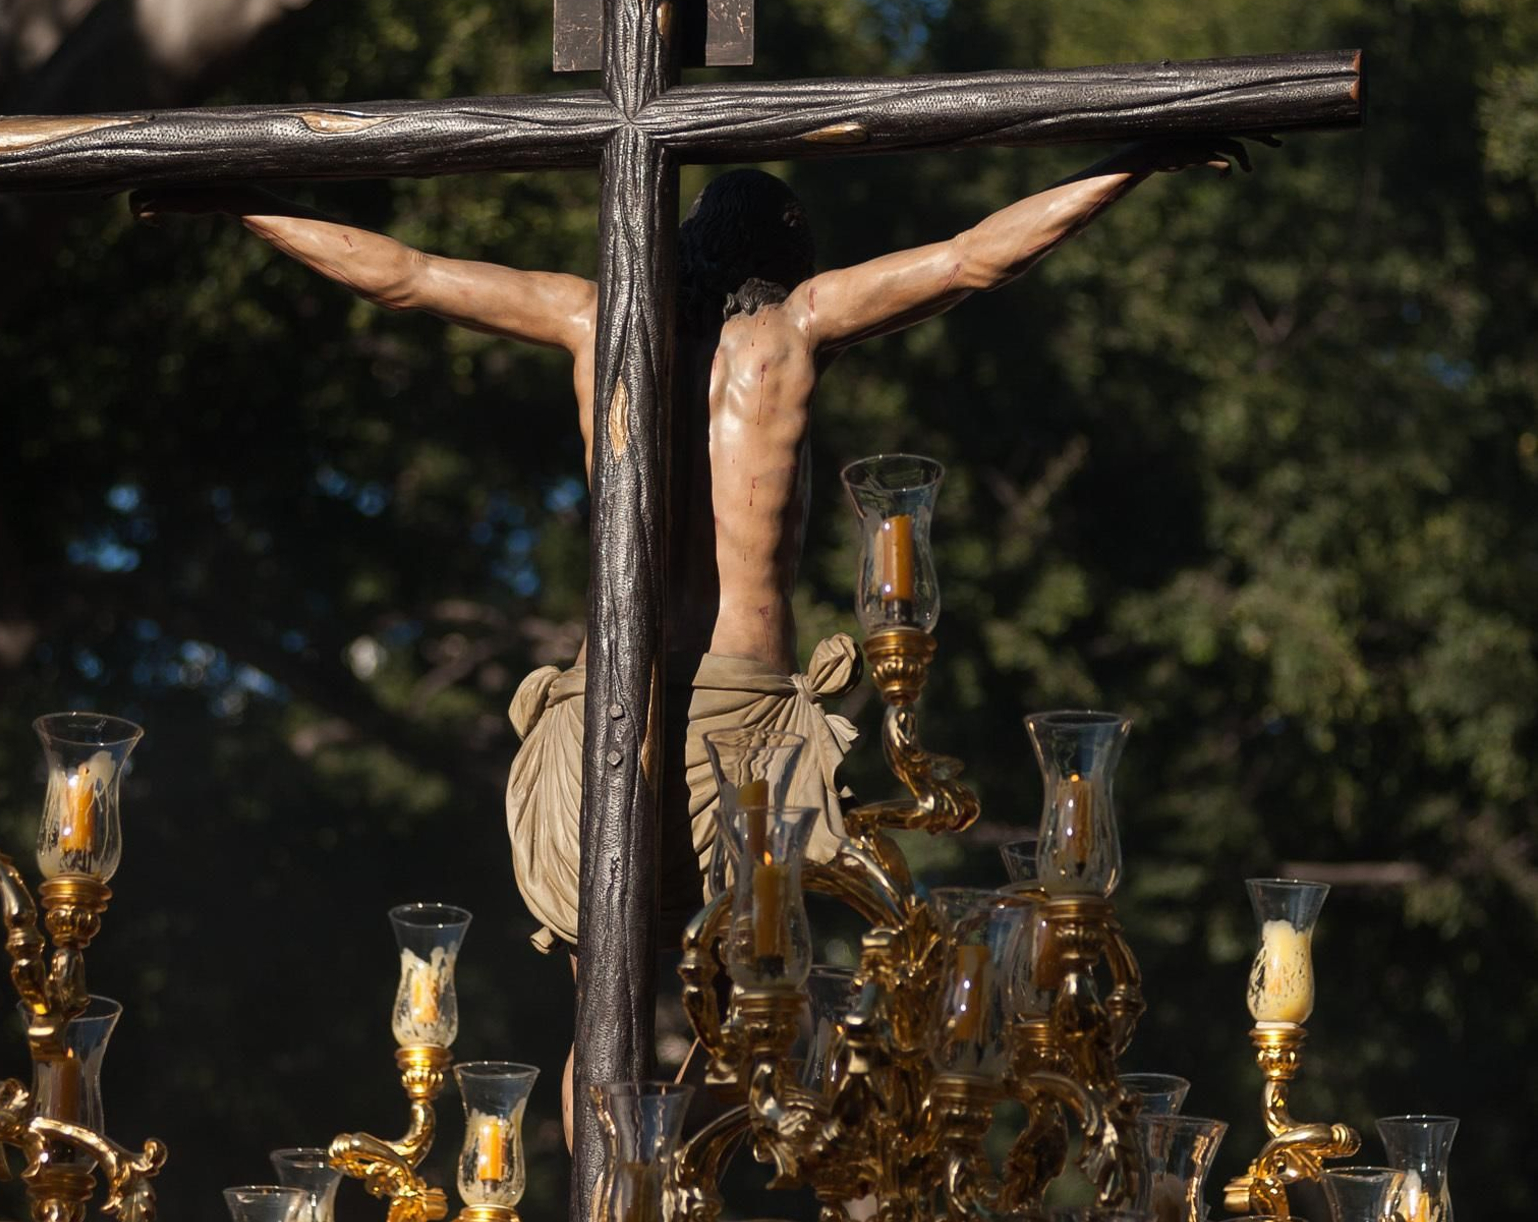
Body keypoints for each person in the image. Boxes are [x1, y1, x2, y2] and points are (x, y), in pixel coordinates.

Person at [138, 139, 1256, 956]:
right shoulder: (795, 329)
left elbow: (402, 274)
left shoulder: (589, 318)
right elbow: (973, 259)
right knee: (753, 997)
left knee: (602, 990)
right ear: (783, 254)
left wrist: (242, 197)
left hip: (602, 704)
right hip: (744, 722)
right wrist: (1134, 158)